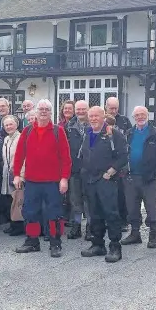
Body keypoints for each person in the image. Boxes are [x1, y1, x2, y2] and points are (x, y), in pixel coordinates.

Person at [13, 99, 72, 258]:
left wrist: (64, 178)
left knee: (54, 214)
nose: (43, 111)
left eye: (46, 109)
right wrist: (17, 174)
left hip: (53, 181)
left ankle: (55, 243)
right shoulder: (27, 131)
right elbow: (19, 155)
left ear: (50, 112)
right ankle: (32, 242)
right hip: (32, 181)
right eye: (41, 109)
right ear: (36, 112)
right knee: (30, 212)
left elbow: (66, 158)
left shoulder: (58, 131)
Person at [79, 106, 128, 263]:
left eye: (96, 116)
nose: (93, 119)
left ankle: (115, 246)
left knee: (111, 213)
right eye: (91, 116)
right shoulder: (87, 132)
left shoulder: (114, 134)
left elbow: (123, 156)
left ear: (103, 117)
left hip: (106, 179)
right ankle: (98, 244)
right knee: (94, 213)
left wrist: (111, 171)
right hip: (90, 180)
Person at [121, 106, 156, 249]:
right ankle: (135, 233)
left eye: (142, 114)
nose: (140, 117)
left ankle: (153, 234)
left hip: (149, 179)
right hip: (131, 177)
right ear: (133, 117)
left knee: (152, 207)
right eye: (137, 115)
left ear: (147, 116)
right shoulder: (129, 133)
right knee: (132, 207)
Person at [105, 96, 131, 232]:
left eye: (116, 108)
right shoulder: (101, 120)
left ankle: (123, 221)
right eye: (111, 108)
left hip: (120, 164)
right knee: (107, 195)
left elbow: (129, 139)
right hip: (105, 164)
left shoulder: (125, 121)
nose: (114, 110)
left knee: (121, 194)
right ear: (106, 106)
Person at [65, 100, 89, 239]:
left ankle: (90, 227)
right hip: (74, 169)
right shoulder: (69, 126)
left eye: (83, 109)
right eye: (78, 109)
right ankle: (76, 226)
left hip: (90, 170)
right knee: (75, 200)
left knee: (89, 200)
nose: (80, 112)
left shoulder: (94, 124)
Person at [1, 115, 24, 236]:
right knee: (11, 199)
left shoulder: (20, 138)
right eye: (6, 125)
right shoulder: (6, 139)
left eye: (11, 124)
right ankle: (13, 224)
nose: (8, 127)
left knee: (18, 199)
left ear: (16, 125)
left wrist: (20, 175)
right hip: (7, 173)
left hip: (17, 173)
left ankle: (19, 226)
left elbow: (23, 158)